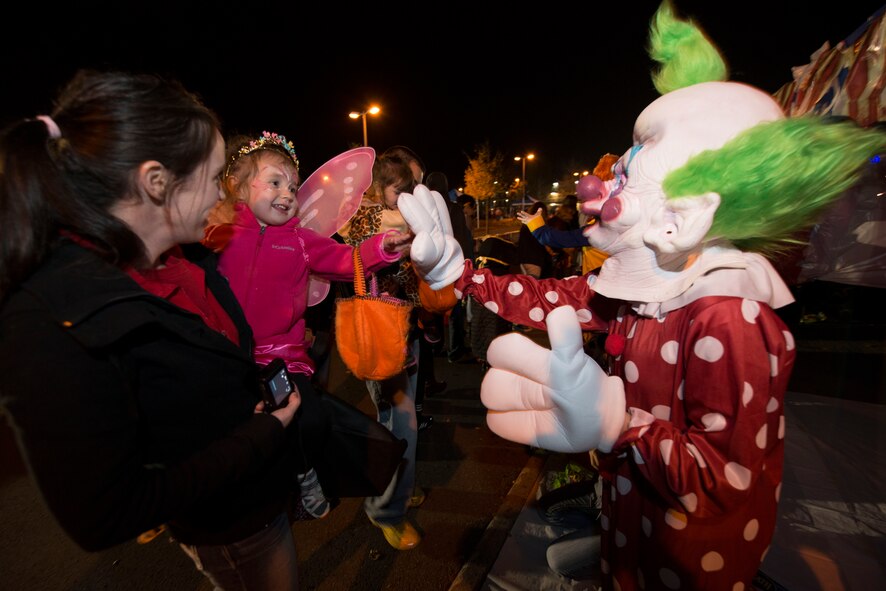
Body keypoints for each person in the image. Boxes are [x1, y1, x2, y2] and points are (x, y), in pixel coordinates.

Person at [398, 2, 886, 588]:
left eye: (626, 176)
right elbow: (546, 298)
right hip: (631, 518)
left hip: (690, 553)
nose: (596, 187)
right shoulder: (648, 291)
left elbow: (722, 478)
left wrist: (615, 423)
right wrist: (458, 272)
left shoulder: (731, 315)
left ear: (683, 218)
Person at [0, 70, 308, 590]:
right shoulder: (57, 318)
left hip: (252, 496)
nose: (224, 197)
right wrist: (261, 435)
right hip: (227, 523)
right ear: (156, 181)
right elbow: (108, 513)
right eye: (214, 179)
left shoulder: (174, 261)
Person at [205, 131, 411, 519]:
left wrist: (384, 247)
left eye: (294, 187)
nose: (287, 194)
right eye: (275, 182)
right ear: (237, 186)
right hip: (225, 356)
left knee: (310, 418)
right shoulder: (217, 230)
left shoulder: (300, 240)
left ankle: (305, 475)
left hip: (282, 356)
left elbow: (347, 259)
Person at [338, 153, 424, 550]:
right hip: (378, 334)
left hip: (403, 331)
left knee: (399, 420)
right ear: (377, 186)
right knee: (399, 423)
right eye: (401, 190)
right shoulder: (360, 216)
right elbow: (376, 232)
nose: (406, 198)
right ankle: (385, 509)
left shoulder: (389, 216)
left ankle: (397, 490)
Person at [517, 201, 554, 279]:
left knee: (527, 285)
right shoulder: (539, 226)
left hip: (523, 259)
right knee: (533, 286)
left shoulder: (526, 226)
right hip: (535, 260)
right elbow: (544, 243)